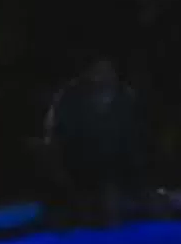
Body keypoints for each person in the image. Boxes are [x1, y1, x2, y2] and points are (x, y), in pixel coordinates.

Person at [45, 55, 148, 222]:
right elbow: (55, 143)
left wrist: (136, 176)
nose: (105, 76)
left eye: (109, 70)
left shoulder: (125, 97)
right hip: (78, 170)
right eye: (99, 71)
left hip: (117, 169)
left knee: (155, 204)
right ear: (88, 73)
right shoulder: (69, 98)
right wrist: (67, 184)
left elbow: (134, 142)